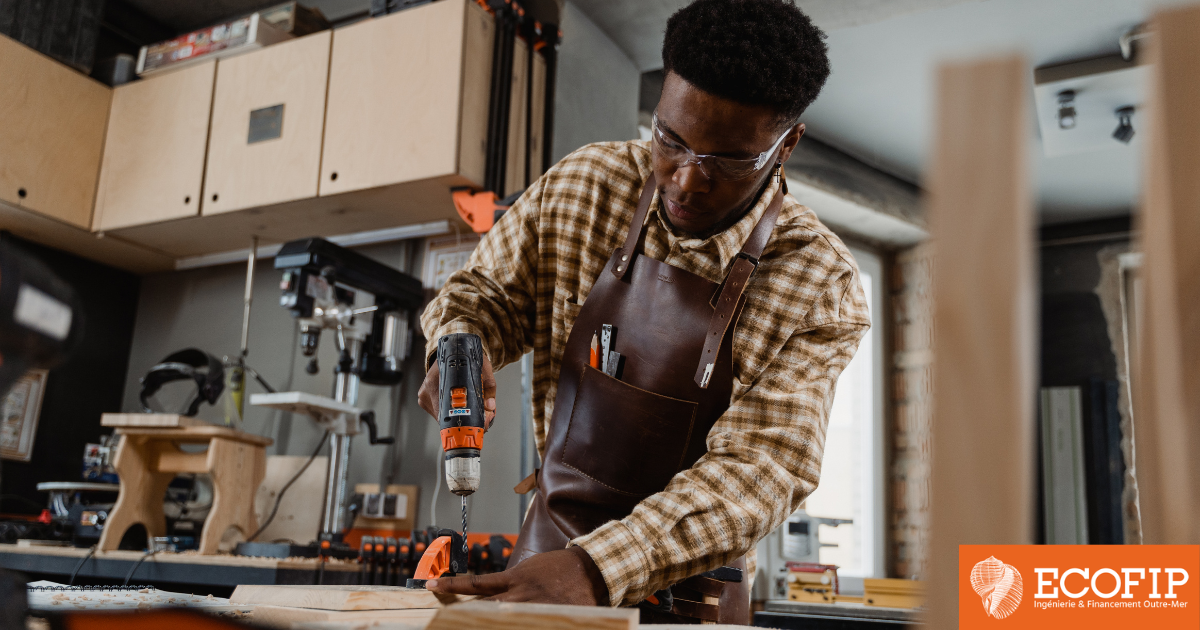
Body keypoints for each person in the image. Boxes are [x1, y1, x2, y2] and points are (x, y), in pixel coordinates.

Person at [417, 0, 870, 623]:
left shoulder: (819, 281)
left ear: (786, 143)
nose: (686, 180)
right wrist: (461, 343)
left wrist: (595, 569)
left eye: (727, 162)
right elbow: (482, 296)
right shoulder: (587, 184)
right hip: (548, 551)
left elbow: (761, 468)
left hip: (694, 586)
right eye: (670, 140)